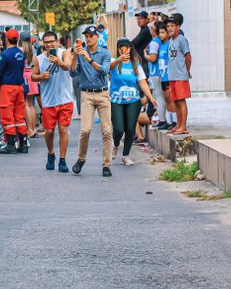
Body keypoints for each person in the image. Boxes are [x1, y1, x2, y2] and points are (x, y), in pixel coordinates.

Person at [69, 25, 113, 177]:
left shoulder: (105, 52)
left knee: (107, 131)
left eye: (91, 36)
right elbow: (72, 72)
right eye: (86, 36)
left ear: (97, 37)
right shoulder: (80, 53)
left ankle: (106, 165)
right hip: (86, 94)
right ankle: (81, 159)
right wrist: (75, 56)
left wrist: (89, 60)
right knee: (85, 130)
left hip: (102, 94)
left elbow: (105, 70)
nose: (88, 39)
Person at [109, 38, 156, 165]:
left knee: (130, 128)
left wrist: (151, 98)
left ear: (130, 49)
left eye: (126, 47)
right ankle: (116, 144)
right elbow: (108, 67)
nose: (123, 50)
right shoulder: (114, 62)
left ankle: (126, 155)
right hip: (116, 100)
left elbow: (142, 82)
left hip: (133, 101)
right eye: (120, 48)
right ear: (118, 49)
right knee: (119, 129)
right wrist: (120, 59)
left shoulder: (135, 64)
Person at [31, 31, 73, 173]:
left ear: (57, 42)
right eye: (47, 42)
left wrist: (58, 62)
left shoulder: (64, 52)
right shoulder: (39, 58)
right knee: (49, 131)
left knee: (63, 129)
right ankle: (51, 154)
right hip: (48, 101)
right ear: (43, 44)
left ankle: (62, 160)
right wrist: (41, 76)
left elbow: (67, 66)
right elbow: (33, 77)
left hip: (65, 99)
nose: (49, 44)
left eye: (52, 42)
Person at [0, 29, 29, 154]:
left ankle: (10, 145)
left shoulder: (5, 54)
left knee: (7, 116)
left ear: (6, 39)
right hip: (19, 87)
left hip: (7, 88)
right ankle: (23, 144)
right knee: (19, 116)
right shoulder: (21, 53)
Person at [166, 14, 191, 135]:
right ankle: (178, 124)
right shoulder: (171, 40)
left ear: (178, 27)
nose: (169, 28)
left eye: (172, 26)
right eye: (168, 26)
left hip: (180, 76)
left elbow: (188, 56)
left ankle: (183, 126)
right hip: (172, 76)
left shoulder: (182, 39)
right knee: (175, 101)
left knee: (181, 101)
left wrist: (187, 70)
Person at [144, 22, 168, 129]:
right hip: (159, 72)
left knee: (158, 97)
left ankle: (162, 119)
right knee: (159, 97)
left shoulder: (155, 42)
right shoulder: (160, 42)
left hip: (156, 72)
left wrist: (145, 55)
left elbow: (153, 58)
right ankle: (161, 118)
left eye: (151, 28)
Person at [20, 36, 40, 139]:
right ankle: (33, 128)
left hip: (24, 77)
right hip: (32, 77)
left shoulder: (20, 52)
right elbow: (37, 68)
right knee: (31, 104)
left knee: (26, 104)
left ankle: (30, 130)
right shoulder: (34, 53)